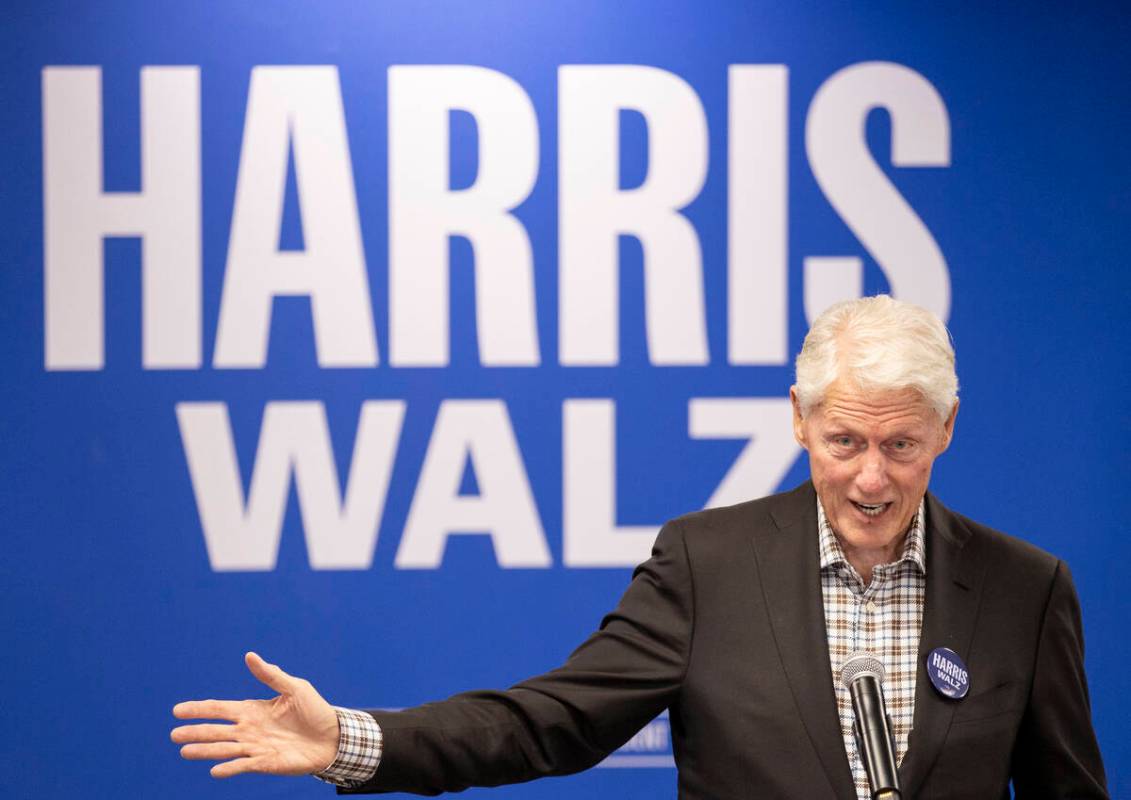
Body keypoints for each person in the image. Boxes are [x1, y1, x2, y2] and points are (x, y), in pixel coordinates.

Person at [171, 295, 1108, 799]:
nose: (871, 478)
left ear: (945, 431)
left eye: (901, 446)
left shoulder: (1024, 589)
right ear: (798, 422)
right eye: (844, 443)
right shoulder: (709, 566)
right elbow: (550, 721)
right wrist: (351, 740)